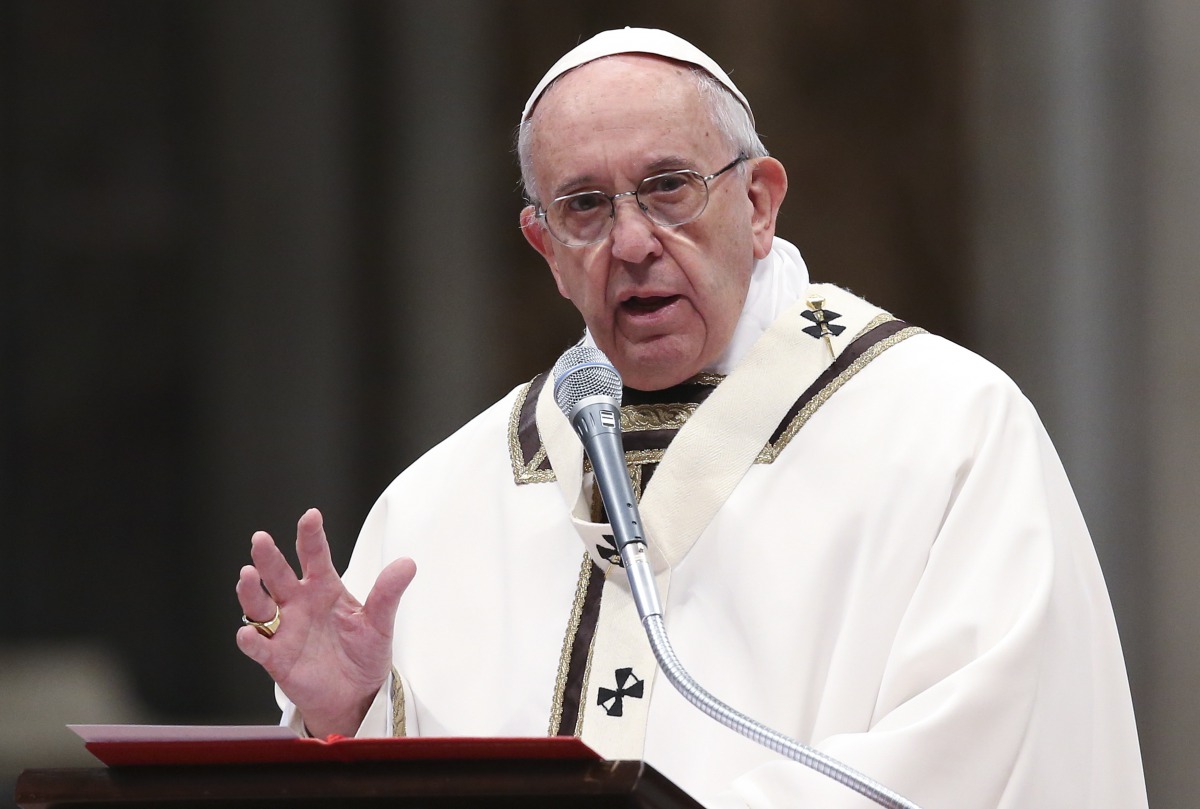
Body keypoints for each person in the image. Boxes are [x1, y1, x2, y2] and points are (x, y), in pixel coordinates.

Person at [236, 28, 1147, 808]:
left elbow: (992, 749)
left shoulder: (947, 430)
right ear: (544, 247)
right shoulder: (442, 501)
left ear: (757, 201)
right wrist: (351, 719)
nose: (631, 243)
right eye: (584, 206)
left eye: (668, 186)